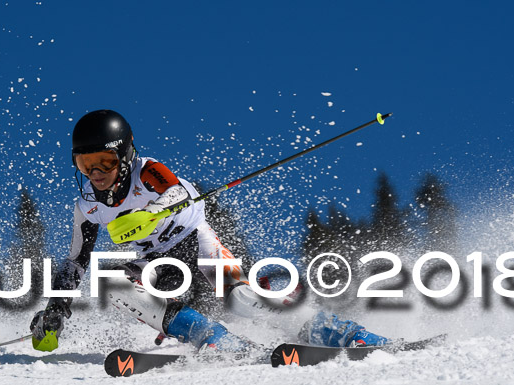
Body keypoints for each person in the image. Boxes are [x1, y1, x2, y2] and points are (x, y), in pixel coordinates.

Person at [29, 109, 390, 352]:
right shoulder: (88, 208)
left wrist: (151, 214)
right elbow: (76, 261)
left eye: (105, 161)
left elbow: (176, 191)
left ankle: (346, 334)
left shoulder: (147, 170)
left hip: (196, 241)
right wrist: (56, 307)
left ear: (124, 156)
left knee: (244, 301)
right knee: (119, 286)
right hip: (156, 262)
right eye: (85, 164)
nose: (96, 173)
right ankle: (216, 340)